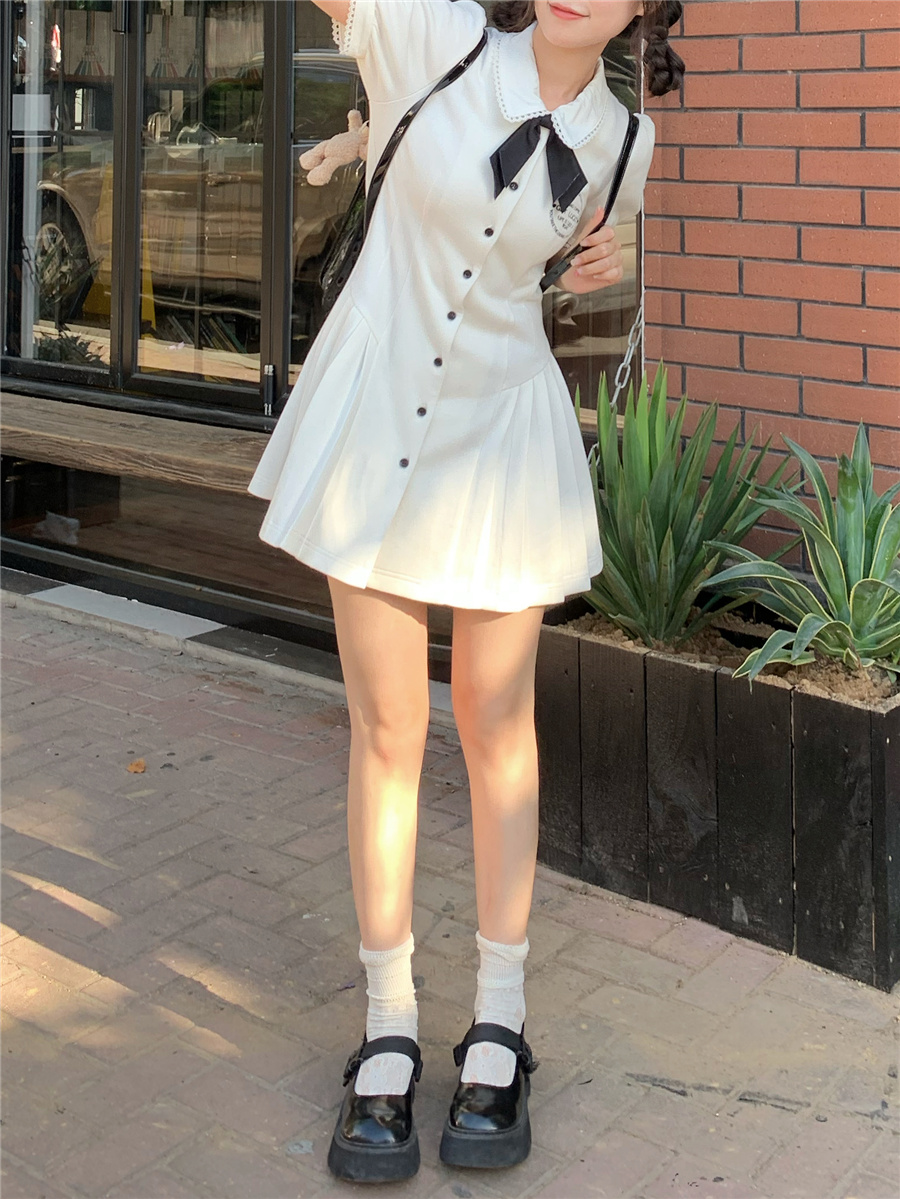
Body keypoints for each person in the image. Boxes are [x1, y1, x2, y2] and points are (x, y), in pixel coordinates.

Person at [246, 0, 683, 1182]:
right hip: (377, 423)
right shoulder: (431, 38)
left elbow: (599, 276)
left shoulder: (626, 144)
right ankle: (387, 1023)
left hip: (503, 442)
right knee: (388, 731)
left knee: (497, 727)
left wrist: (616, 261)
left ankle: (500, 1021)